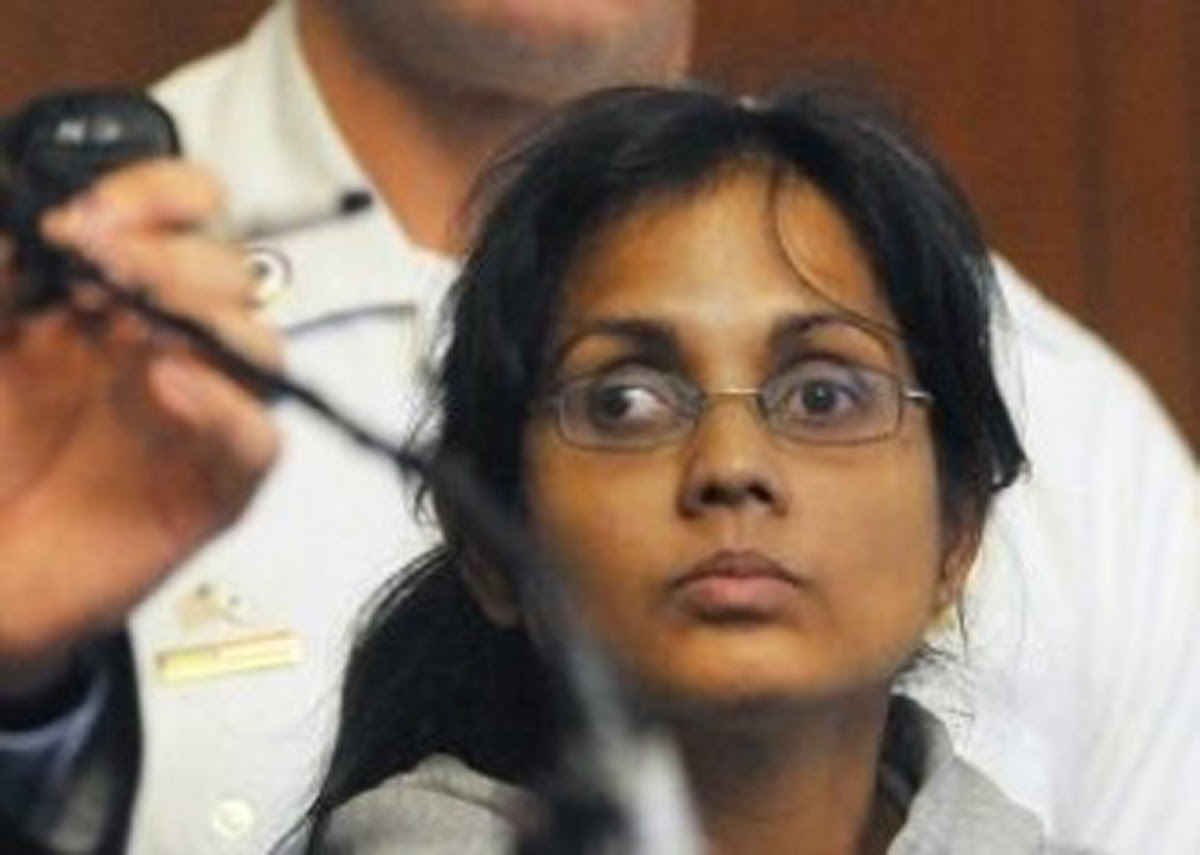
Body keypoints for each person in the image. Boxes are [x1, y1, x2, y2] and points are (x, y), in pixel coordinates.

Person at [3, 1, 1197, 853]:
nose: (732, 468)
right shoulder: (41, 342)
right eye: (622, 402)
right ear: (484, 535)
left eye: (825, 397)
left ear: (963, 530)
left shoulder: (1076, 423)